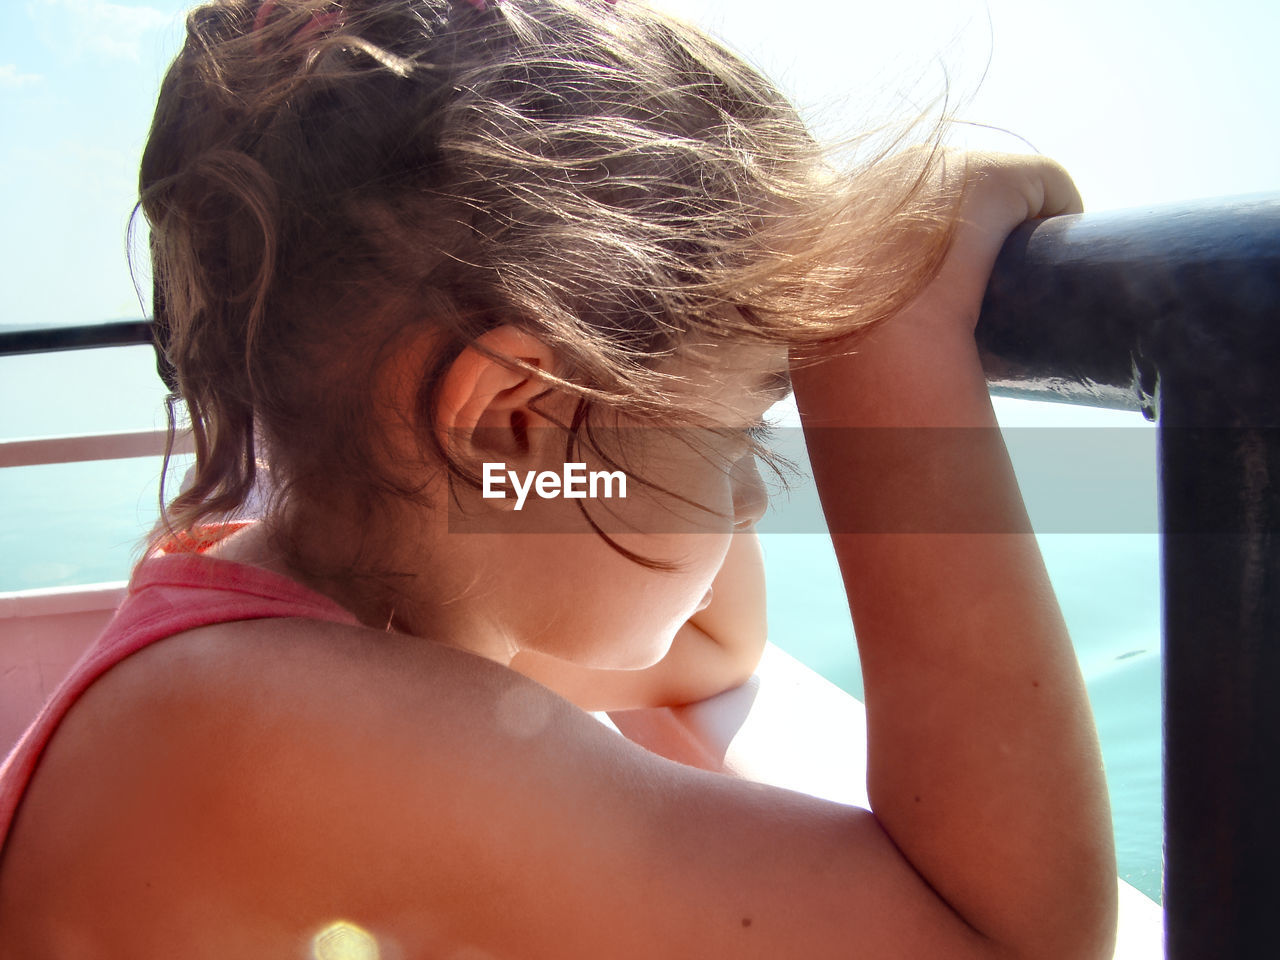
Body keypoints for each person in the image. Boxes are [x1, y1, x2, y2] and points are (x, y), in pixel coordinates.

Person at [0, 1, 1116, 956]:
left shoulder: (334, 625)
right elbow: (1003, 940)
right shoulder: (289, 725)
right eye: (740, 435)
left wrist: (735, 345)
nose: (751, 498)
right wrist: (895, 329)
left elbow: (697, 652)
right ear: (508, 418)